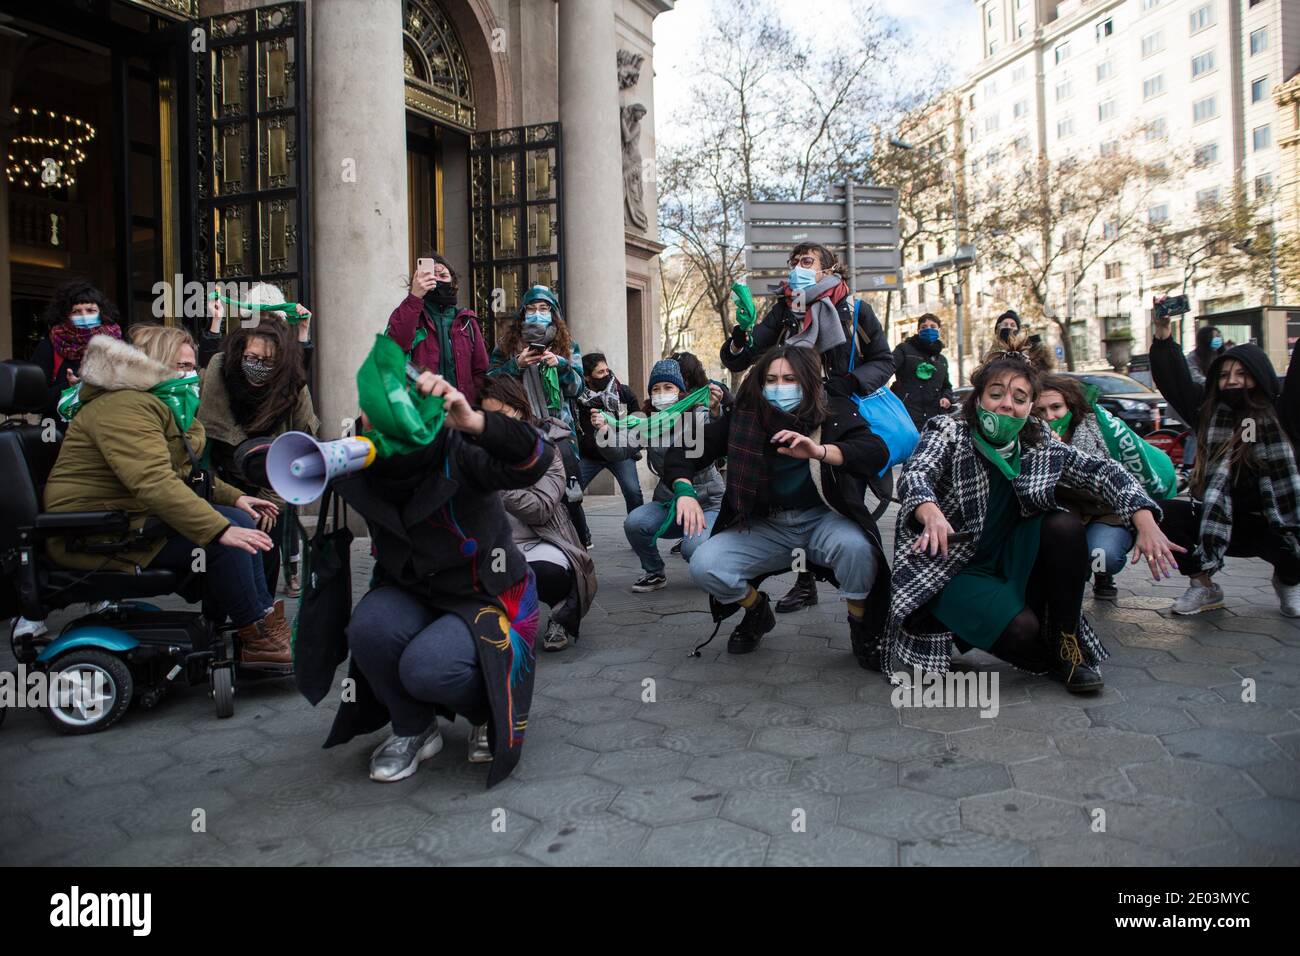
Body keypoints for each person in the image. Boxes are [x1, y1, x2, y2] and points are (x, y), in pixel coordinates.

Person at [887, 340, 1181, 693]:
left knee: (1062, 524)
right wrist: (930, 512)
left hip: (1012, 556)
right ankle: (944, 620)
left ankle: (1066, 641)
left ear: (1029, 407)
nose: (1007, 404)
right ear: (979, 397)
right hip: (953, 564)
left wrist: (1143, 517)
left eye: (1019, 398)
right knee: (1024, 635)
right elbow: (917, 473)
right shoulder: (949, 430)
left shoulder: (1038, 438)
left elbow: (1101, 471)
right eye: (996, 394)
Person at [327, 369, 554, 784]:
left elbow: (537, 457)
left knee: (427, 667)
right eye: (370, 407)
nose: (378, 419)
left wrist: (473, 422)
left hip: (485, 593)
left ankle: (487, 713)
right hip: (412, 588)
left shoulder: (460, 449)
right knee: (368, 630)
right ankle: (414, 727)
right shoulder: (356, 458)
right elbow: (262, 463)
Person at [43, 325, 290, 664]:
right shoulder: (124, 406)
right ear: (153, 364)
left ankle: (254, 624)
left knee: (243, 519)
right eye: (180, 367)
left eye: (192, 367)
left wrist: (235, 498)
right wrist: (219, 528)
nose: (190, 376)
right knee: (225, 540)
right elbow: (154, 482)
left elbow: (186, 474)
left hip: (132, 522)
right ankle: (257, 636)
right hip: (96, 533)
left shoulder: (162, 404)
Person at [665, 345, 891, 667]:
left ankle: (861, 626)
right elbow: (685, 452)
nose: (779, 387)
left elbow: (875, 452)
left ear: (807, 381)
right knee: (704, 564)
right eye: (771, 379)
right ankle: (757, 611)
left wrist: (820, 451)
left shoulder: (832, 410)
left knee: (860, 551)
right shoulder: (743, 416)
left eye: (789, 379)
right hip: (765, 527)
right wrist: (684, 491)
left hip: (822, 522)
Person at [720, 242, 894, 616]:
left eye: (808, 261)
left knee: (836, 492)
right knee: (794, 493)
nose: (799, 267)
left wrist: (850, 383)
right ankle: (803, 582)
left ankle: (857, 598)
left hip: (835, 416)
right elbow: (746, 356)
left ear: (829, 269)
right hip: (788, 413)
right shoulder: (785, 309)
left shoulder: (855, 310)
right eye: (795, 261)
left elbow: (884, 360)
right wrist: (741, 334)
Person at [1149, 314, 1300, 617]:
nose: (1232, 381)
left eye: (1242, 374)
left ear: (1260, 375)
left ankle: (1288, 580)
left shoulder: (1284, 413)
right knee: (1158, 511)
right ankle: (1204, 585)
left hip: (1273, 523)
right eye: (1224, 375)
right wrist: (1164, 338)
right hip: (1218, 521)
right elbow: (1175, 381)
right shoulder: (1207, 413)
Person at [198, 319, 319, 594]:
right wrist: (221, 492)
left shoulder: (292, 382)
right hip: (225, 478)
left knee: (266, 547)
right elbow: (206, 437)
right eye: (251, 358)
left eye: (267, 361)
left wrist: (271, 498)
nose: (258, 366)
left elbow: (301, 442)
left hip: (272, 480)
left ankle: (262, 618)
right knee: (223, 555)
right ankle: (216, 623)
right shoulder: (221, 368)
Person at [479, 374, 596, 654]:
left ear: (518, 410)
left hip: (542, 539)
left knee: (542, 572)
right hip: (492, 543)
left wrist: (495, 483)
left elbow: (540, 508)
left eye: (500, 415)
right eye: (485, 416)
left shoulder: (547, 448)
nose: (492, 424)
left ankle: (560, 614)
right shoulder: (473, 448)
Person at [604, 358, 724, 591]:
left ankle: (718, 557)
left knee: (692, 550)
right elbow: (620, 450)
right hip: (669, 503)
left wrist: (717, 410)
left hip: (707, 503)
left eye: (668, 387)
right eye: (656, 389)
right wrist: (604, 431)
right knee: (635, 523)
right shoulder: (647, 423)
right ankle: (654, 571)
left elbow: (718, 432)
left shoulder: (698, 414)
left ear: (680, 391)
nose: (662, 394)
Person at [488, 285, 588, 543]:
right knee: (528, 484)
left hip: (560, 430)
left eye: (543, 309)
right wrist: (515, 365)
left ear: (553, 313)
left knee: (570, 490)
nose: (537, 313)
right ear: (522, 314)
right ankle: (534, 539)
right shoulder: (506, 346)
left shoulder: (568, 345)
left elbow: (578, 388)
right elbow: (489, 386)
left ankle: (578, 538)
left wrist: (562, 366)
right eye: (531, 309)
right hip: (522, 428)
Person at [1034, 374, 1132, 600]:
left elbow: (1111, 476)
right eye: (1041, 411)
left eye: (1056, 407)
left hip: (1106, 511)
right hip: (1067, 512)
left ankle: (1101, 573)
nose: (1049, 416)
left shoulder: (1096, 430)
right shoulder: (1032, 437)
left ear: (1070, 405)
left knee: (1102, 555)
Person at [385, 253, 489, 403]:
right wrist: (414, 297)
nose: (437, 279)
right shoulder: (410, 314)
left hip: (461, 409)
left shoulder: (466, 321)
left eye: (443, 275)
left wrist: (473, 405)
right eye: (431, 275)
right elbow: (395, 346)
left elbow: (481, 371)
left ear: (453, 283)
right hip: (423, 411)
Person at [573, 351, 644, 517]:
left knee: (633, 492)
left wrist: (627, 441)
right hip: (590, 456)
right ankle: (582, 535)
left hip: (620, 454)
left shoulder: (623, 393)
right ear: (587, 377)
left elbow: (638, 420)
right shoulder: (577, 398)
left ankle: (639, 531)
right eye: (600, 372)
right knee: (571, 494)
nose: (606, 375)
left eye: (607, 370)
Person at [201, 281, 314, 371]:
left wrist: (303, 329)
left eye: (270, 316)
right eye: (259, 315)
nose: (264, 323)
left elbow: (298, 374)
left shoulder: (284, 347)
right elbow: (212, 370)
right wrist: (216, 320)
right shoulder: (237, 344)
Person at [891, 313, 954, 431]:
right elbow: (886, 368)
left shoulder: (942, 360)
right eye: (924, 327)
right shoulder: (904, 349)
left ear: (939, 330)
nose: (928, 329)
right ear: (918, 330)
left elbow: (947, 386)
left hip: (934, 418)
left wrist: (946, 397)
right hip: (906, 415)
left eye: (933, 326)